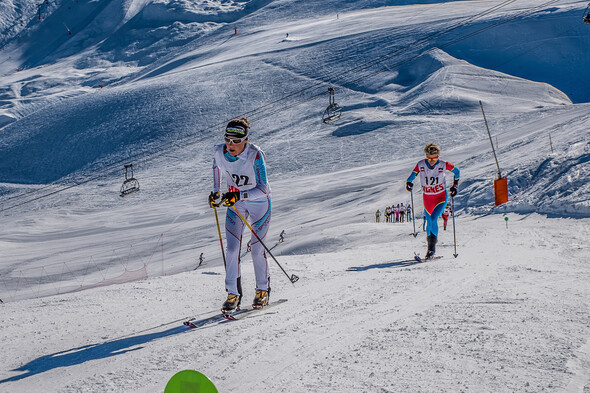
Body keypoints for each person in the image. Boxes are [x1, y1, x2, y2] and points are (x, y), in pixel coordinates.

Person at [208, 118, 271, 313]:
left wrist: (239, 195)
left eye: (236, 141)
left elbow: (264, 189)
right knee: (232, 250)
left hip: (258, 204)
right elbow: (217, 169)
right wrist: (216, 192)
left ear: (246, 140)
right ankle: (233, 293)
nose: (231, 145)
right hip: (235, 204)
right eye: (228, 140)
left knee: (256, 249)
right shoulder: (219, 152)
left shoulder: (255, 155)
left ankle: (262, 290)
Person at [406, 142, 460, 259]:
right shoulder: (420, 164)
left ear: (438, 156)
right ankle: (430, 245)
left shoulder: (444, 164)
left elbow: (457, 172)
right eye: (429, 158)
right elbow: (412, 175)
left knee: (433, 218)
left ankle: (432, 249)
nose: (431, 160)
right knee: (429, 222)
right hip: (427, 198)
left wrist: (454, 186)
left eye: (434, 157)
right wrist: (409, 183)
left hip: (440, 197)